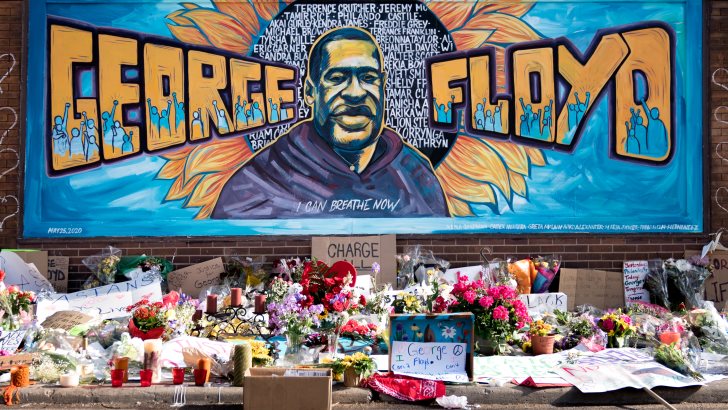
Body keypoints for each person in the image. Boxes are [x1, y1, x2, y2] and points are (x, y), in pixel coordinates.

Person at [212, 27, 449, 219]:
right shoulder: (259, 183)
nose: (355, 93)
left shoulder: (416, 176)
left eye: (368, 78)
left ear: (383, 86)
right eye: (337, 78)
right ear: (310, 91)